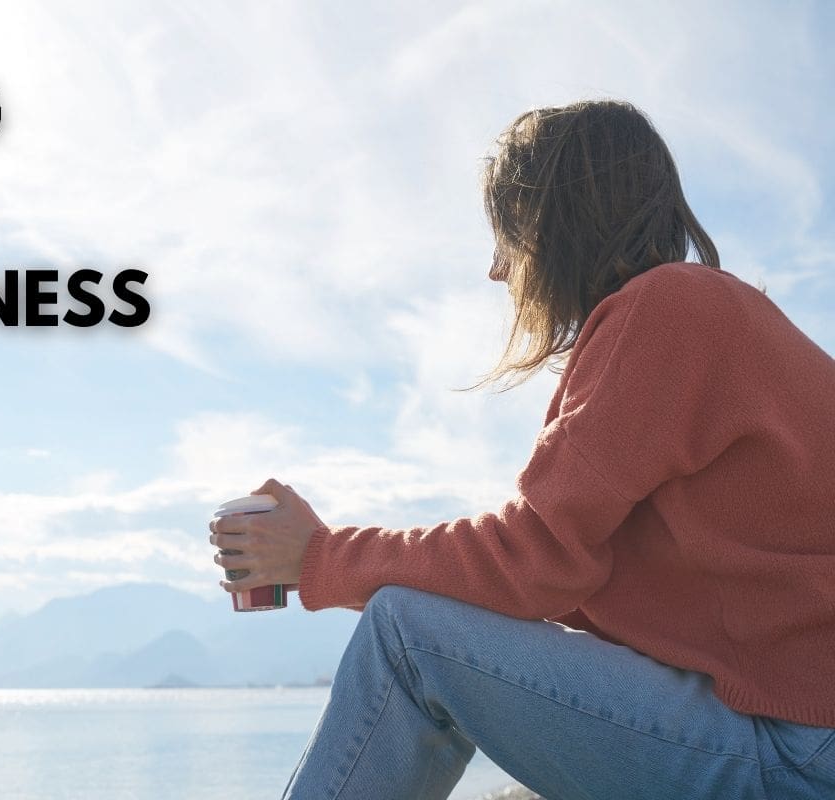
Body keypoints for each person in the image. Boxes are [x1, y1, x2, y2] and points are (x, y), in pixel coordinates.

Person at [208, 99, 835, 800]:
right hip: (802, 728)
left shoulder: (665, 309)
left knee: (405, 635)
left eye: (507, 235)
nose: (498, 270)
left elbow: (536, 559)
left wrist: (320, 558)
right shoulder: (715, 316)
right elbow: (573, 577)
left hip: (799, 749)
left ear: (551, 224)